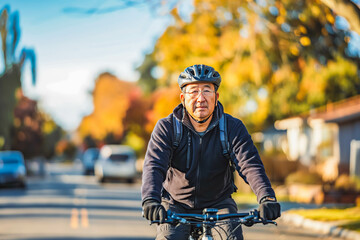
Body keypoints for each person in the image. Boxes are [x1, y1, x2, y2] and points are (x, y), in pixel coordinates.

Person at [141, 64, 281, 239]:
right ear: (183, 98)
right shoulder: (167, 127)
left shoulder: (232, 127)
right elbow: (154, 165)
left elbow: (249, 164)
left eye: (207, 91)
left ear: (216, 97)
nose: (200, 98)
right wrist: (151, 200)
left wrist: (266, 197)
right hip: (176, 203)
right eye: (193, 91)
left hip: (219, 202)